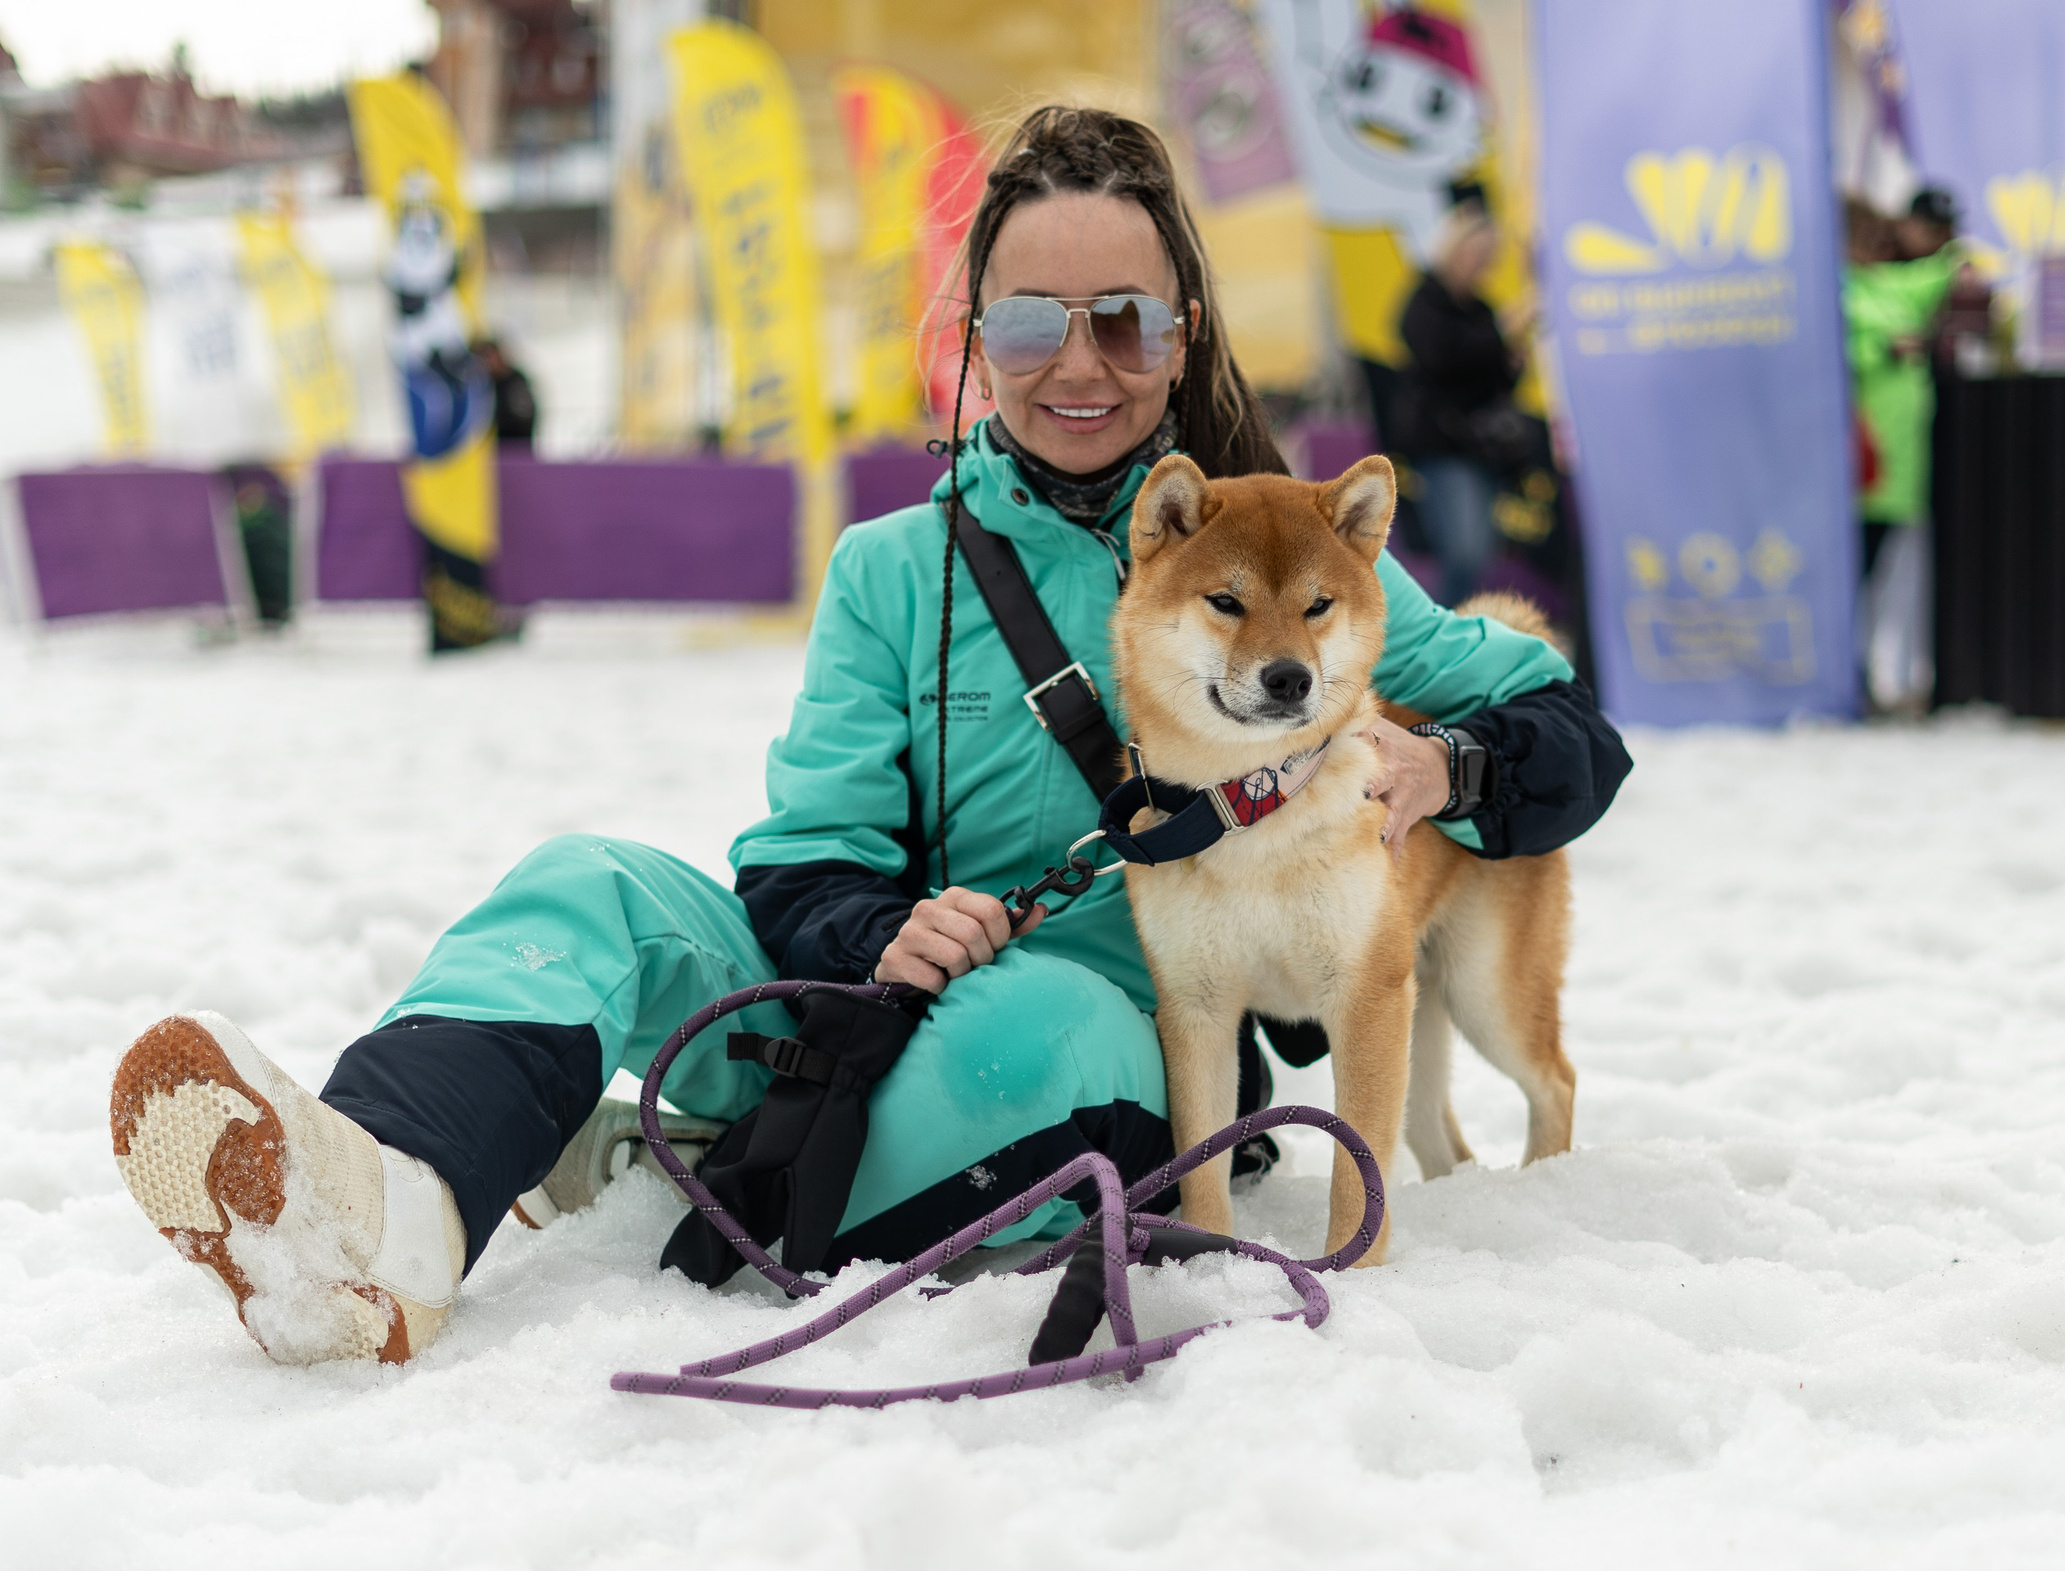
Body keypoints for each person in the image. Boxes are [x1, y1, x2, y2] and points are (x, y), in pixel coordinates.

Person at [108, 107, 1634, 1368]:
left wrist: (1459, 768)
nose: (1081, 361)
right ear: (979, 330)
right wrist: (884, 927)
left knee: (1026, 1042)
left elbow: (1570, 726)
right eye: (1036, 319)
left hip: (1103, 1018)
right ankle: (383, 1206)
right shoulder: (895, 570)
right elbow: (806, 846)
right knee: (588, 887)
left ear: (1179, 336)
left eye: (1123, 319)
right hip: (877, 981)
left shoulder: (1280, 542)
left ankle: (660, 1171)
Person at [1391, 203, 1542, 606]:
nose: (1481, 265)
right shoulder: (1424, 301)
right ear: (1453, 251)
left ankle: (1448, 629)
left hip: (1482, 447)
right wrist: (1502, 334)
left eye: (1488, 258)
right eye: (1475, 255)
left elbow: (1494, 381)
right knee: (1465, 549)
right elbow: (1443, 356)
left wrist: (1511, 363)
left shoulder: (1481, 309)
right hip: (1442, 445)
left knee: (1479, 552)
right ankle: (1435, 631)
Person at [1842, 187, 1967, 574]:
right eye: (1866, 236)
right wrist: (1881, 349)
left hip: (1890, 468)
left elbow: (1943, 271)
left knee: (1873, 577)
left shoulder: (1885, 285)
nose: (1877, 246)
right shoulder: (1833, 288)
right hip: (1851, 462)